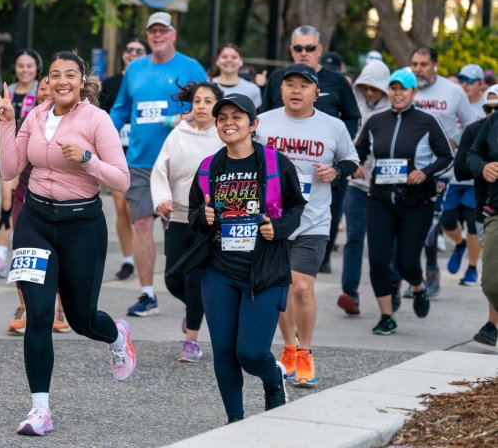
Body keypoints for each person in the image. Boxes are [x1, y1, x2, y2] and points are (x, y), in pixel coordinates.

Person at [0, 51, 133, 436]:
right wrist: (8, 123)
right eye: (55, 75)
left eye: (69, 74)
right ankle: (40, 410)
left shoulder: (96, 119)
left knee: (80, 318)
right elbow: (9, 169)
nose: (61, 81)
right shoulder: (36, 115)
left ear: (81, 79)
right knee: (38, 315)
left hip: (81, 225)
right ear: (47, 81)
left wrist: (88, 159)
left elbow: (122, 180)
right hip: (35, 222)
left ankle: (116, 334)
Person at [187, 93, 306, 424]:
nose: (228, 123)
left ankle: (272, 376)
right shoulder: (209, 167)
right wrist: (205, 216)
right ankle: (235, 422)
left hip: (264, 271)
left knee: (250, 353)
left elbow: (297, 206)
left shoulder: (275, 163)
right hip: (219, 271)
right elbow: (195, 213)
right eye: (222, 117)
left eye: (237, 117)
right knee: (224, 353)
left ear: (253, 124)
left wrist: (278, 228)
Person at [257, 65, 358, 388]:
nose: (296, 90)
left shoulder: (333, 125)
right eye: (290, 84)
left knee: (301, 287)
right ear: (281, 89)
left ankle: (305, 352)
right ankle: (288, 348)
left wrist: (336, 172)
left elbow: (351, 160)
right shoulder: (264, 121)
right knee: (281, 289)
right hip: (273, 220)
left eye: (304, 85)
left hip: (313, 220)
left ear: (317, 92)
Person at [110, 12, 208, 317]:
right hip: (139, 161)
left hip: (179, 162)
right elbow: (121, 109)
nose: (157, 35)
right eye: (153, 31)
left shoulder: (191, 67)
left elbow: (210, 105)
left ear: (173, 34)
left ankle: (185, 288)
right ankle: (147, 294)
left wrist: (183, 117)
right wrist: (104, 134)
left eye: (163, 31)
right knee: (141, 225)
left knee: (175, 228)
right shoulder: (135, 70)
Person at [354, 69, 454, 335]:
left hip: (415, 202)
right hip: (380, 200)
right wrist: (354, 166)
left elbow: (447, 157)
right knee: (377, 259)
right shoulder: (376, 121)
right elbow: (358, 152)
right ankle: (387, 315)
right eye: (394, 88)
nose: (398, 94)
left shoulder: (427, 122)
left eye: (404, 89)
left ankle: (418, 288)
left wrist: (425, 172)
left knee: (406, 262)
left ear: (414, 93)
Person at [260, 26, 361, 275]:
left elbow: (352, 117)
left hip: (321, 171)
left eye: (309, 48)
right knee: (278, 279)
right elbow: (263, 117)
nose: (304, 52)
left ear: (319, 50)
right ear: (291, 50)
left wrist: (334, 150)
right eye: (298, 48)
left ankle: (320, 257)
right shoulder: (277, 80)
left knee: (301, 284)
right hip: (276, 189)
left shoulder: (336, 82)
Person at [150, 82, 224, 362]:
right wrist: (162, 200)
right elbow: (159, 170)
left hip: (208, 220)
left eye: (207, 101)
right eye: (197, 101)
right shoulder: (177, 134)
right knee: (172, 278)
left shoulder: (223, 137)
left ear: (217, 106)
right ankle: (195, 308)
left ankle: (191, 341)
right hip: (178, 216)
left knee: (195, 279)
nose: (201, 106)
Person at [410, 48, 479, 297]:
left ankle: (430, 270)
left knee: (432, 223)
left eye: (424, 64)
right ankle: (412, 275)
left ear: (435, 65)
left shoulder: (453, 92)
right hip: (409, 170)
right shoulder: (406, 85)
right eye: (415, 64)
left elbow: (473, 124)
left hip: (441, 171)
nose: (418, 69)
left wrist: (455, 141)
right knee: (410, 223)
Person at [6, 76, 71, 335]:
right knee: (22, 252)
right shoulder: (29, 120)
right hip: (24, 193)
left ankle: (61, 310)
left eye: (49, 87)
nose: (46, 92)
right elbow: (10, 160)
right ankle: (26, 308)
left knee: (60, 256)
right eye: (41, 89)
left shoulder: (76, 121)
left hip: (60, 199)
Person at [339, 59, 401, 315]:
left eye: (375, 88)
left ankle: (394, 283)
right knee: (354, 237)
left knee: (386, 243)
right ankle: (350, 292)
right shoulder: (354, 109)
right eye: (365, 87)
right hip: (357, 184)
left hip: (386, 186)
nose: (370, 93)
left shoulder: (396, 110)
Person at [0, 48, 42, 277]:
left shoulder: (42, 90)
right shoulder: (10, 91)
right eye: (21, 65)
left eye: (29, 66)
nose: (25, 70)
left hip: (33, 156)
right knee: (7, 201)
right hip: (10, 153)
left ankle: (22, 254)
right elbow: (6, 117)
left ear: (37, 68)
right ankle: (0, 256)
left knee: (26, 205)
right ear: (15, 68)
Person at [456, 84, 498, 347]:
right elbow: (461, 167)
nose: (492, 113)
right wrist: (483, 168)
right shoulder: (477, 131)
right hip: (488, 208)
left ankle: (492, 326)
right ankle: (493, 323)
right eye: (488, 108)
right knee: (492, 279)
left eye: (497, 108)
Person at [102, 40, 146, 281]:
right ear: (123, 55)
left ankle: (140, 255)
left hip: (142, 153)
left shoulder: (147, 81)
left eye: (139, 51)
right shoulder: (110, 83)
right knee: (121, 206)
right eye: (129, 50)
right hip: (116, 152)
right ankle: (128, 259)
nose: (133, 54)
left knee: (135, 209)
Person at [442, 63, 487, 287]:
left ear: (480, 83)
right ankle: (459, 244)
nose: (465, 85)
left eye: (469, 81)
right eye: (462, 80)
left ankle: (471, 269)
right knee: (446, 219)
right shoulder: (454, 100)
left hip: (474, 176)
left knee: (472, 222)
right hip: (450, 172)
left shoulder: (487, 106)